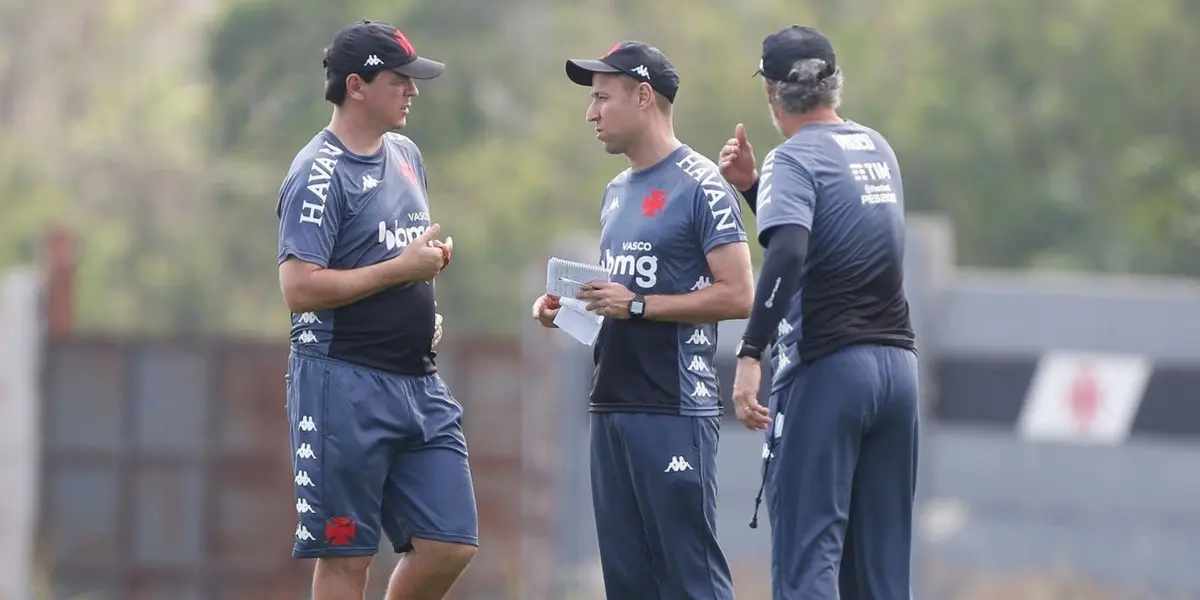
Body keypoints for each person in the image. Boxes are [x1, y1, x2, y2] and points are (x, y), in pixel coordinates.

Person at [531, 41, 754, 600]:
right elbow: (627, 292)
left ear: (644, 96)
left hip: (673, 407)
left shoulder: (702, 183)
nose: (591, 112)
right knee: (628, 586)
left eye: (602, 97)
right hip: (611, 405)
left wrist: (637, 305)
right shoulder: (615, 191)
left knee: (690, 581)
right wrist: (571, 308)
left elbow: (739, 294)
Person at [275, 20, 477, 600]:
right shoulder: (317, 173)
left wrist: (427, 268)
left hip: (418, 382)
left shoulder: (407, 154)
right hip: (343, 384)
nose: (412, 91)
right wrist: (402, 273)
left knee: (450, 542)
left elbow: (396, 251)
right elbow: (299, 288)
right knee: (346, 555)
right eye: (400, 80)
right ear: (357, 86)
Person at [719, 25, 920, 600]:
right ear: (834, 85)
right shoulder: (877, 147)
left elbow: (788, 251)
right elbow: (825, 234)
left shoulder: (794, 157)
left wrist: (750, 353)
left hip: (831, 371)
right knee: (880, 574)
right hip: (896, 372)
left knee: (809, 564)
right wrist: (755, 189)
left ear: (771, 94)